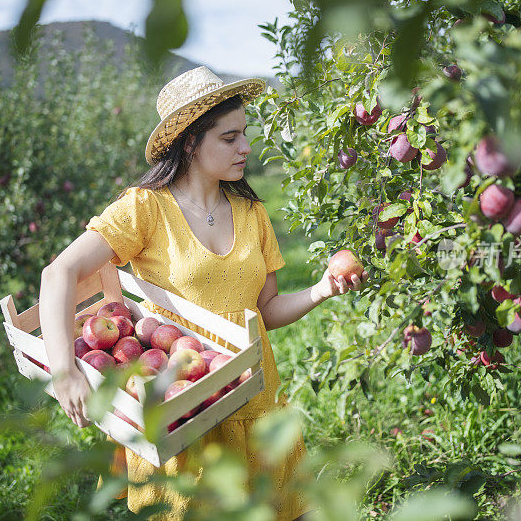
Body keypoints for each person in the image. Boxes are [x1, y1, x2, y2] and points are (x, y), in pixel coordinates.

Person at [38, 66, 368, 520]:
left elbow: (264, 311)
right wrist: (64, 372)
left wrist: (322, 289)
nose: (246, 148)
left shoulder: (251, 212)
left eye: (244, 135)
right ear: (191, 142)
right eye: (230, 138)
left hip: (252, 395)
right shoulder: (145, 209)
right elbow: (59, 274)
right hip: (180, 402)